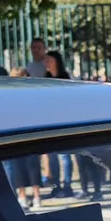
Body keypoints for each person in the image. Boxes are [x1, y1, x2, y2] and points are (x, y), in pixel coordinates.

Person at [43, 51, 77, 198]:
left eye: (49, 60)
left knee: (65, 155)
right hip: (50, 120)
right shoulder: (45, 78)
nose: (47, 63)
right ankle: (56, 185)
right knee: (52, 157)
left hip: (64, 120)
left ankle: (68, 185)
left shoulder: (66, 77)